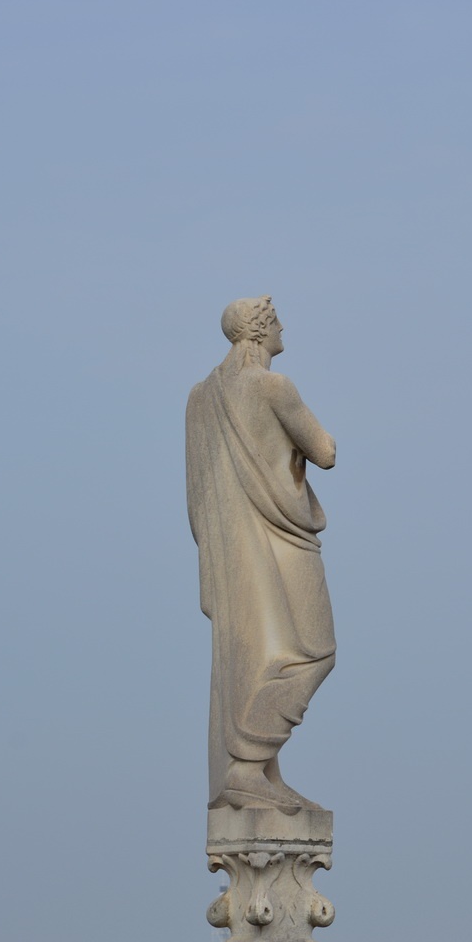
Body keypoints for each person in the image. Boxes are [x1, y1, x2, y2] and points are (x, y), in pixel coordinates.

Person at [186, 296, 336, 813]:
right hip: (280, 536)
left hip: (228, 544)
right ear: (257, 331)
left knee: (252, 654)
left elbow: (196, 491)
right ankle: (249, 763)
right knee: (313, 652)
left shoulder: (200, 398)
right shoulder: (274, 387)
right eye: (275, 321)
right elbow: (325, 451)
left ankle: (260, 773)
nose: (283, 327)